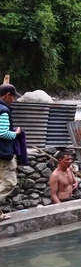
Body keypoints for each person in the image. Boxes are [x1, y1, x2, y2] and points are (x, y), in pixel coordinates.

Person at [0, 83, 22, 220]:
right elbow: (2, 133)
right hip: (3, 152)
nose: (12, 100)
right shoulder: (3, 110)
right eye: (12, 97)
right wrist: (16, 133)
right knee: (9, 182)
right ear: (8, 95)